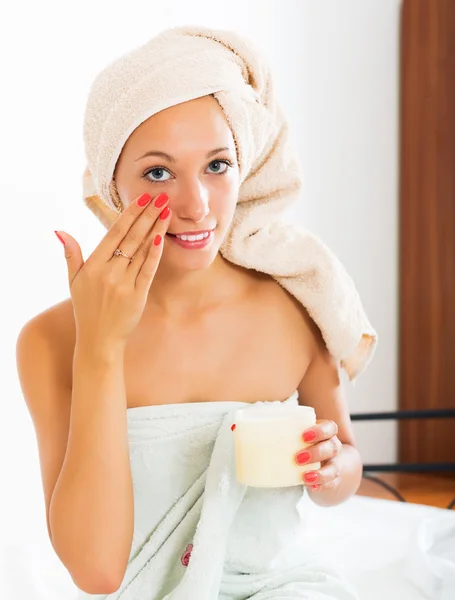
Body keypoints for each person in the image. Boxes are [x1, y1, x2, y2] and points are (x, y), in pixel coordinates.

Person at [16, 26, 375, 600]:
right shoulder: (52, 339)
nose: (197, 205)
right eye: (158, 173)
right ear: (114, 185)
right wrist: (102, 350)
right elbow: (98, 574)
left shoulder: (297, 303)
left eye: (218, 164)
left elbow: (344, 474)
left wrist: (332, 468)